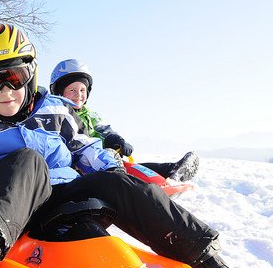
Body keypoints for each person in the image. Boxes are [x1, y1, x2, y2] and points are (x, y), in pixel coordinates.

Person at [0, 24, 257, 268]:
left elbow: (85, 150)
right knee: (27, 158)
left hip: (63, 202)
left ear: (30, 75)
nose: (6, 91)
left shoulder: (55, 110)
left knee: (116, 181)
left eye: (14, 78)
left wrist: (117, 172)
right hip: (6, 205)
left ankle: (209, 265)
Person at [49, 58, 199, 182]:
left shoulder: (88, 114)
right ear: (59, 92)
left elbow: (103, 129)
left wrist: (114, 139)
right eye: (72, 90)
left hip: (101, 159)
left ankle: (170, 170)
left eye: (82, 90)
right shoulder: (56, 114)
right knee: (118, 165)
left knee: (126, 164)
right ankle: (142, 187)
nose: (78, 95)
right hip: (79, 165)